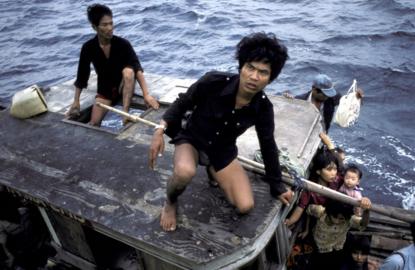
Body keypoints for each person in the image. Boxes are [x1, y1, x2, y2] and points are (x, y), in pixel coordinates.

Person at [149, 32, 294, 231]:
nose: (254, 76)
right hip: (192, 139)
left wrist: (277, 186)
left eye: (263, 72)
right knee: (184, 172)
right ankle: (170, 201)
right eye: (250, 67)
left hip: (222, 151)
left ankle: (211, 170)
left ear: (270, 78)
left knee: (245, 206)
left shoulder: (263, 108)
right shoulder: (213, 81)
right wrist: (160, 129)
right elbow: (183, 101)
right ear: (241, 66)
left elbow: (267, 144)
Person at [67, 4, 159, 126]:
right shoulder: (88, 47)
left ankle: (125, 115)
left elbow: (137, 68)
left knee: (128, 71)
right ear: (94, 27)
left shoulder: (123, 44)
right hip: (105, 90)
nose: (110, 28)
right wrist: (76, 101)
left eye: (111, 23)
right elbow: (82, 76)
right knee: (93, 124)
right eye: (105, 25)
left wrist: (146, 95)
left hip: (123, 86)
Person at [284, 74, 363, 133]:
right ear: (314, 89)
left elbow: (349, 103)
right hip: (303, 133)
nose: (327, 97)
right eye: (324, 94)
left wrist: (356, 97)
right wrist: (288, 99)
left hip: (323, 134)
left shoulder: (332, 98)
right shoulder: (301, 100)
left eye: (329, 94)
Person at [307, 199, 371, 270]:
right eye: (334, 217)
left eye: (341, 219)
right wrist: (306, 229)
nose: (337, 221)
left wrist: (366, 211)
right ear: (329, 212)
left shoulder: (349, 220)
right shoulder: (320, 212)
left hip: (336, 250)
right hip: (317, 247)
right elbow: (307, 210)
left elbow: (363, 224)